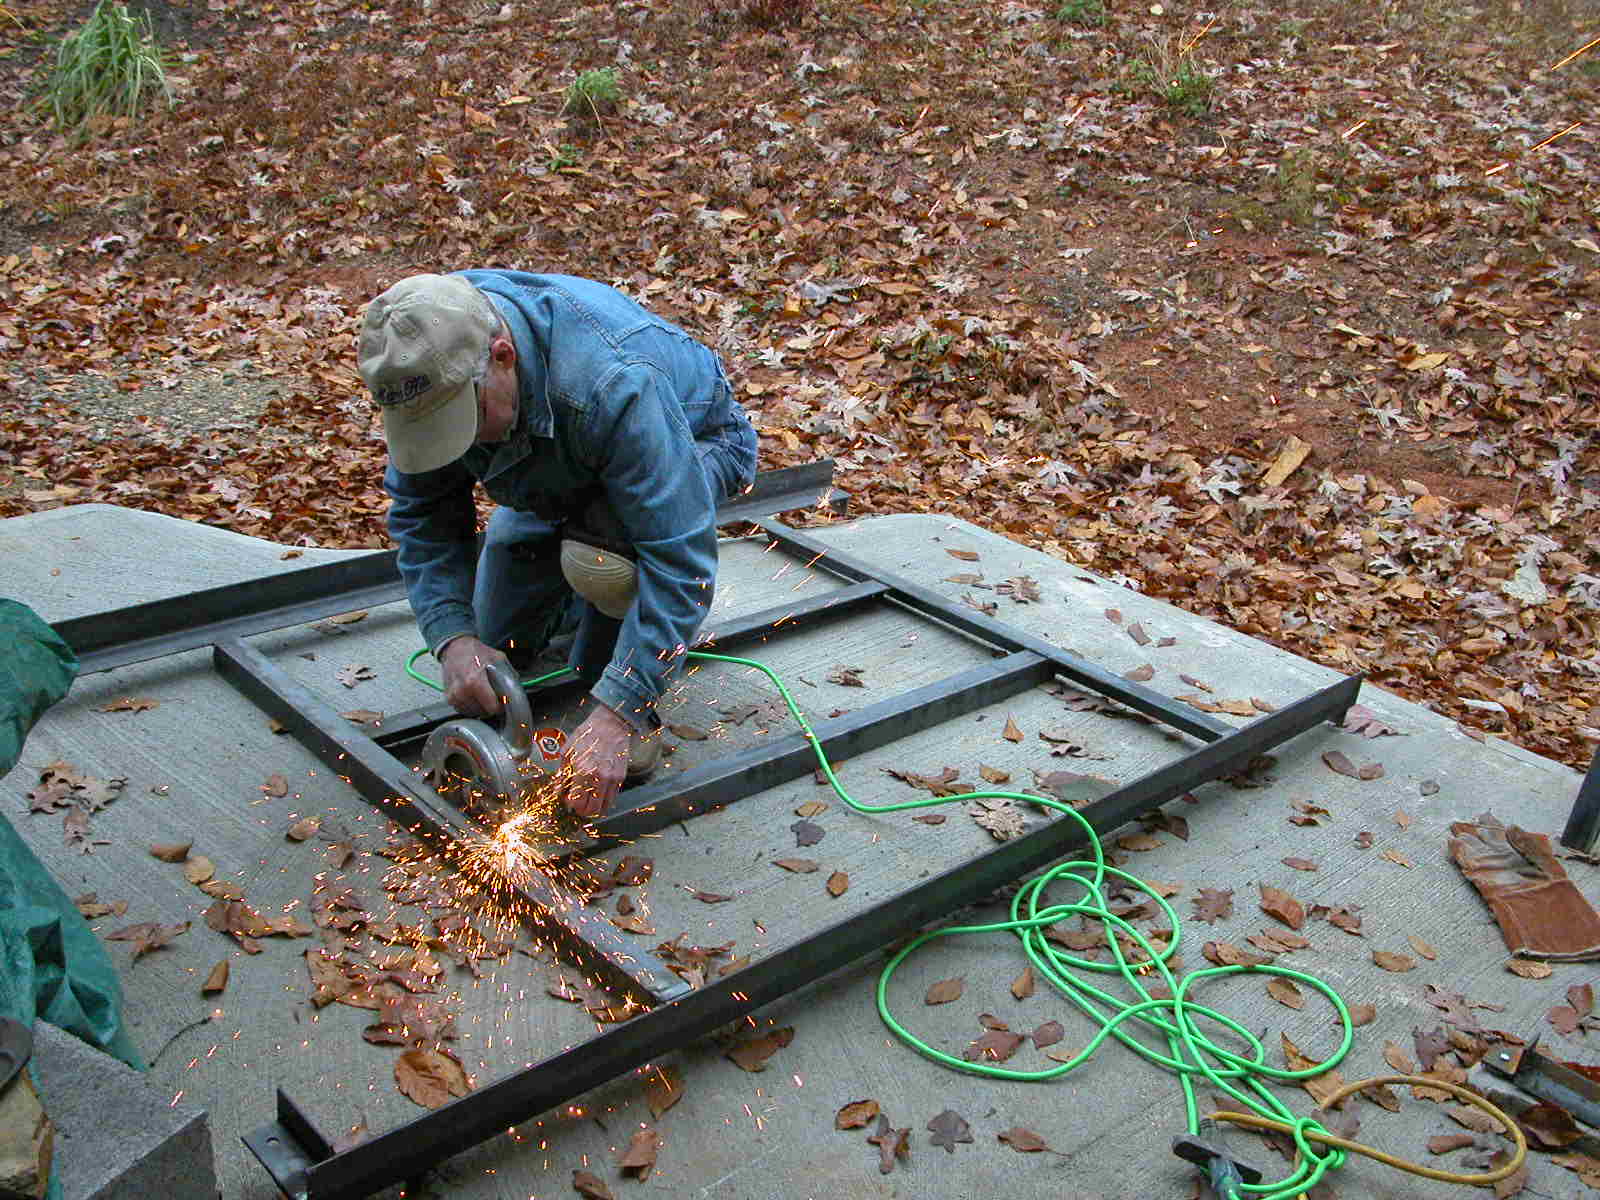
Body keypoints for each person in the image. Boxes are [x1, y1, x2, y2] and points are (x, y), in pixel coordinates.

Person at [357, 271, 758, 818]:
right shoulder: (427, 351)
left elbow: (680, 559)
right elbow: (423, 515)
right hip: (562, 463)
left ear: (502, 356)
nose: (459, 441)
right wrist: (453, 637)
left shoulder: (613, 383)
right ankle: (578, 586)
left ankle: (617, 670)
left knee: (603, 565)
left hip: (695, 440)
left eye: (465, 420)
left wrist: (619, 708)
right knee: (500, 646)